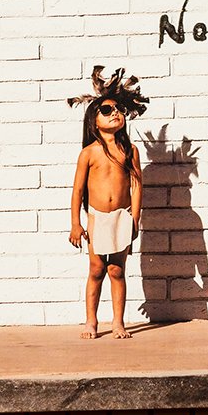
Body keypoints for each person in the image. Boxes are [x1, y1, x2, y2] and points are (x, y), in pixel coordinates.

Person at [65, 68, 147, 339]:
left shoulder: (130, 150)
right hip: (97, 217)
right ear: (94, 121)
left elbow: (136, 184)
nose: (115, 113)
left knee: (117, 270)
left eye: (118, 109)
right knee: (97, 269)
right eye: (107, 109)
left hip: (122, 216)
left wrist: (134, 218)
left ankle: (118, 323)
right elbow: (78, 190)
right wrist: (76, 223)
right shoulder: (89, 153)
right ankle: (91, 321)